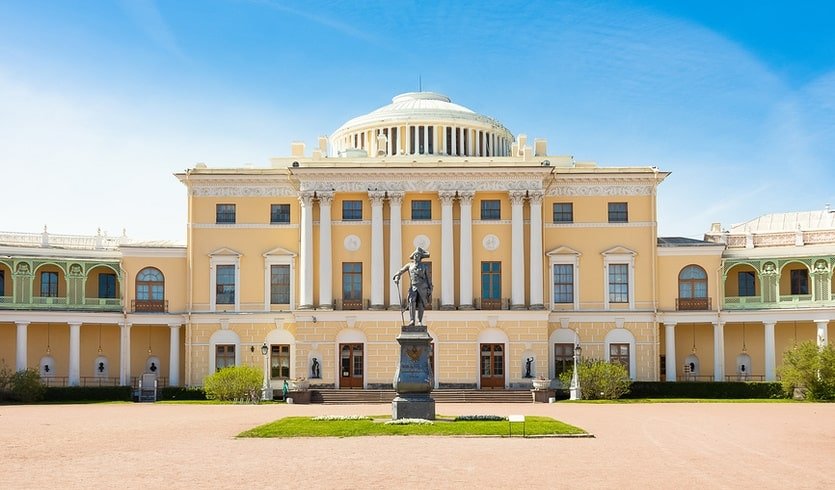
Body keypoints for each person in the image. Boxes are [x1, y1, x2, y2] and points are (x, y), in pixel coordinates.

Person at [393, 247, 433, 327]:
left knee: (421, 304)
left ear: (420, 257)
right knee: (411, 302)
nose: (416, 256)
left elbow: (428, 279)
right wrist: (397, 277)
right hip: (413, 287)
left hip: (422, 288)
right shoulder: (409, 265)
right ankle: (412, 320)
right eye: (415, 255)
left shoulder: (425, 267)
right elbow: (400, 271)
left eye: (418, 255)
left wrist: (430, 288)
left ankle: (420, 321)